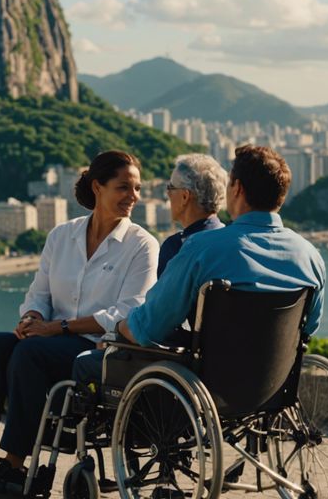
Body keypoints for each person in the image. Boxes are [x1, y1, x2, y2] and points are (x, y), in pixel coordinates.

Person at [0, 150, 159, 495]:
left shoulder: (142, 245)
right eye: (124, 187)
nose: (133, 196)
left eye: (137, 188)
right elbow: (39, 294)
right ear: (98, 187)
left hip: (96, 348)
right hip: (49, 339)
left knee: (30, 354)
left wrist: (57, 328)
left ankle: (17, 468)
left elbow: (129, 311)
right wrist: (32, 317)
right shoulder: (62, 236)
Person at [114, 144, 325, 351]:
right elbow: (308, 327)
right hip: (274, 381)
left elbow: (149, 327)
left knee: (88, 364)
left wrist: (118, 327)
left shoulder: (202, 248)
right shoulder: (311, 257)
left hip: (210, 378)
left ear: (237, 188)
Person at [72, 153, 228, 383]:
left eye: (169, 188)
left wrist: (116, 333)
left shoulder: (181, 247)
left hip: (190, 365)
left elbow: (156, 321)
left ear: (185, 197)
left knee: (86, 361)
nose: (167, 194)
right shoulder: (231, 242)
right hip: (236, 366)